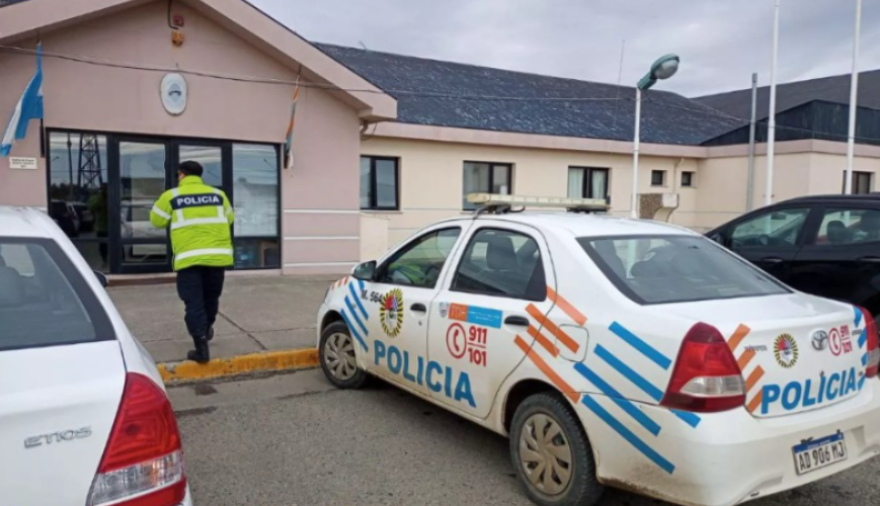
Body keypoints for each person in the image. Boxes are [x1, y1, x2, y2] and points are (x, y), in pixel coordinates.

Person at [150, 161, 234, 363]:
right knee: (211, 299)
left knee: (194, 302)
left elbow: (156, 221)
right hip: (217, 257)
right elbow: (229, 219)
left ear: (181, 174)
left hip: (189, 259)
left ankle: (201, 349)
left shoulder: (171, 196)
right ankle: (206, 328)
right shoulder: (218, 195)